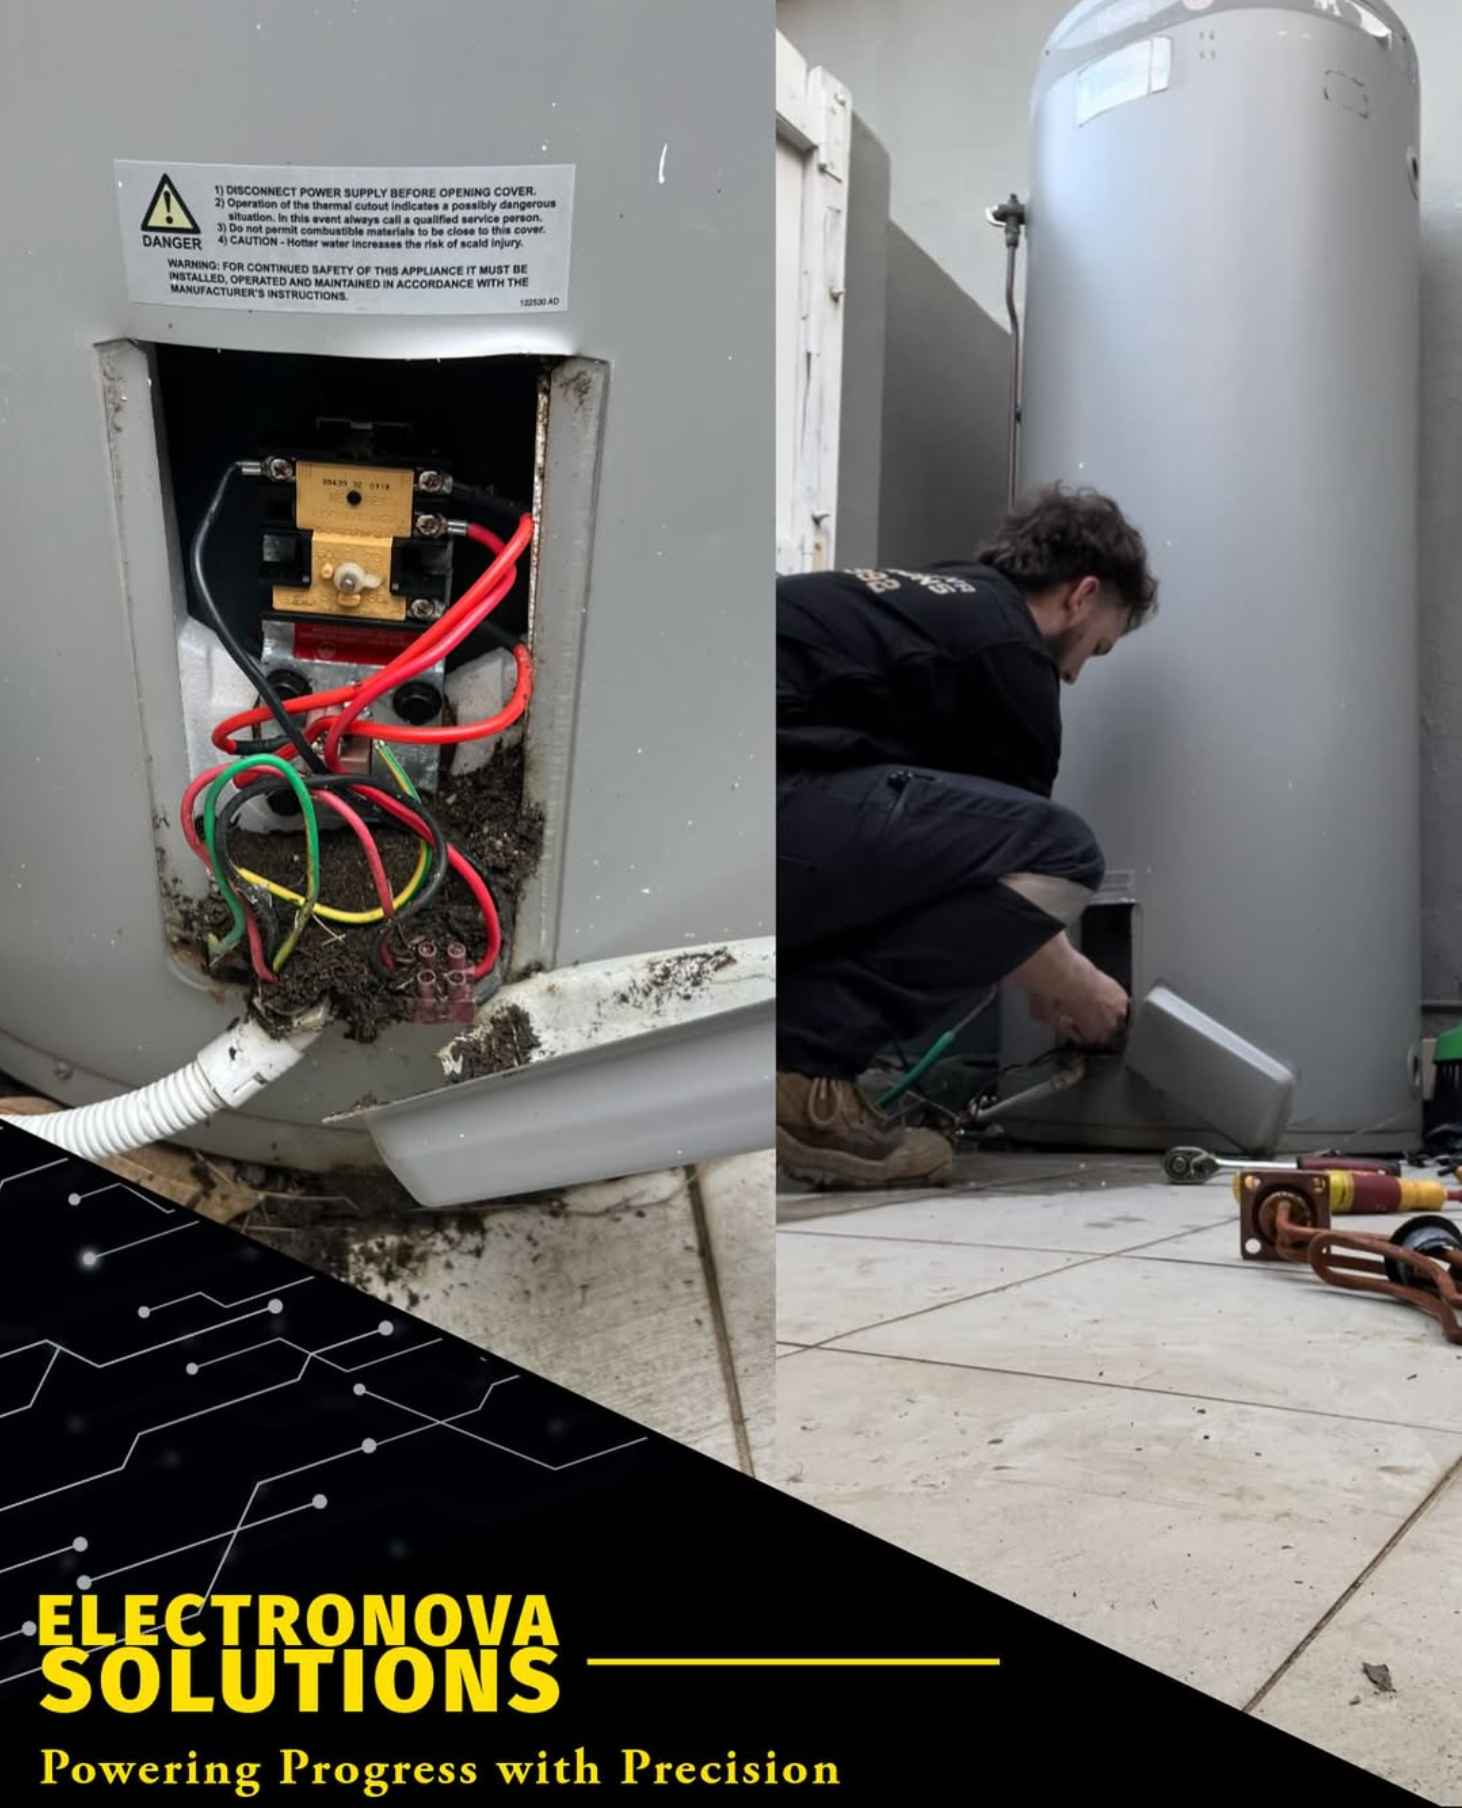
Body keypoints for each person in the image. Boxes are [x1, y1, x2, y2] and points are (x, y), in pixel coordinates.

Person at [776, 483, 1160, 1190]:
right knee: (1065, 850)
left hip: (704, 798)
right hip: (760, 803)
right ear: (1080, 595)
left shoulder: (933, 604)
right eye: (1096, 648)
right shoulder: (1009, 652)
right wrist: (1075, 985)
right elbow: (1018, 862)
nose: (1073, 674)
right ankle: (806, 1077)